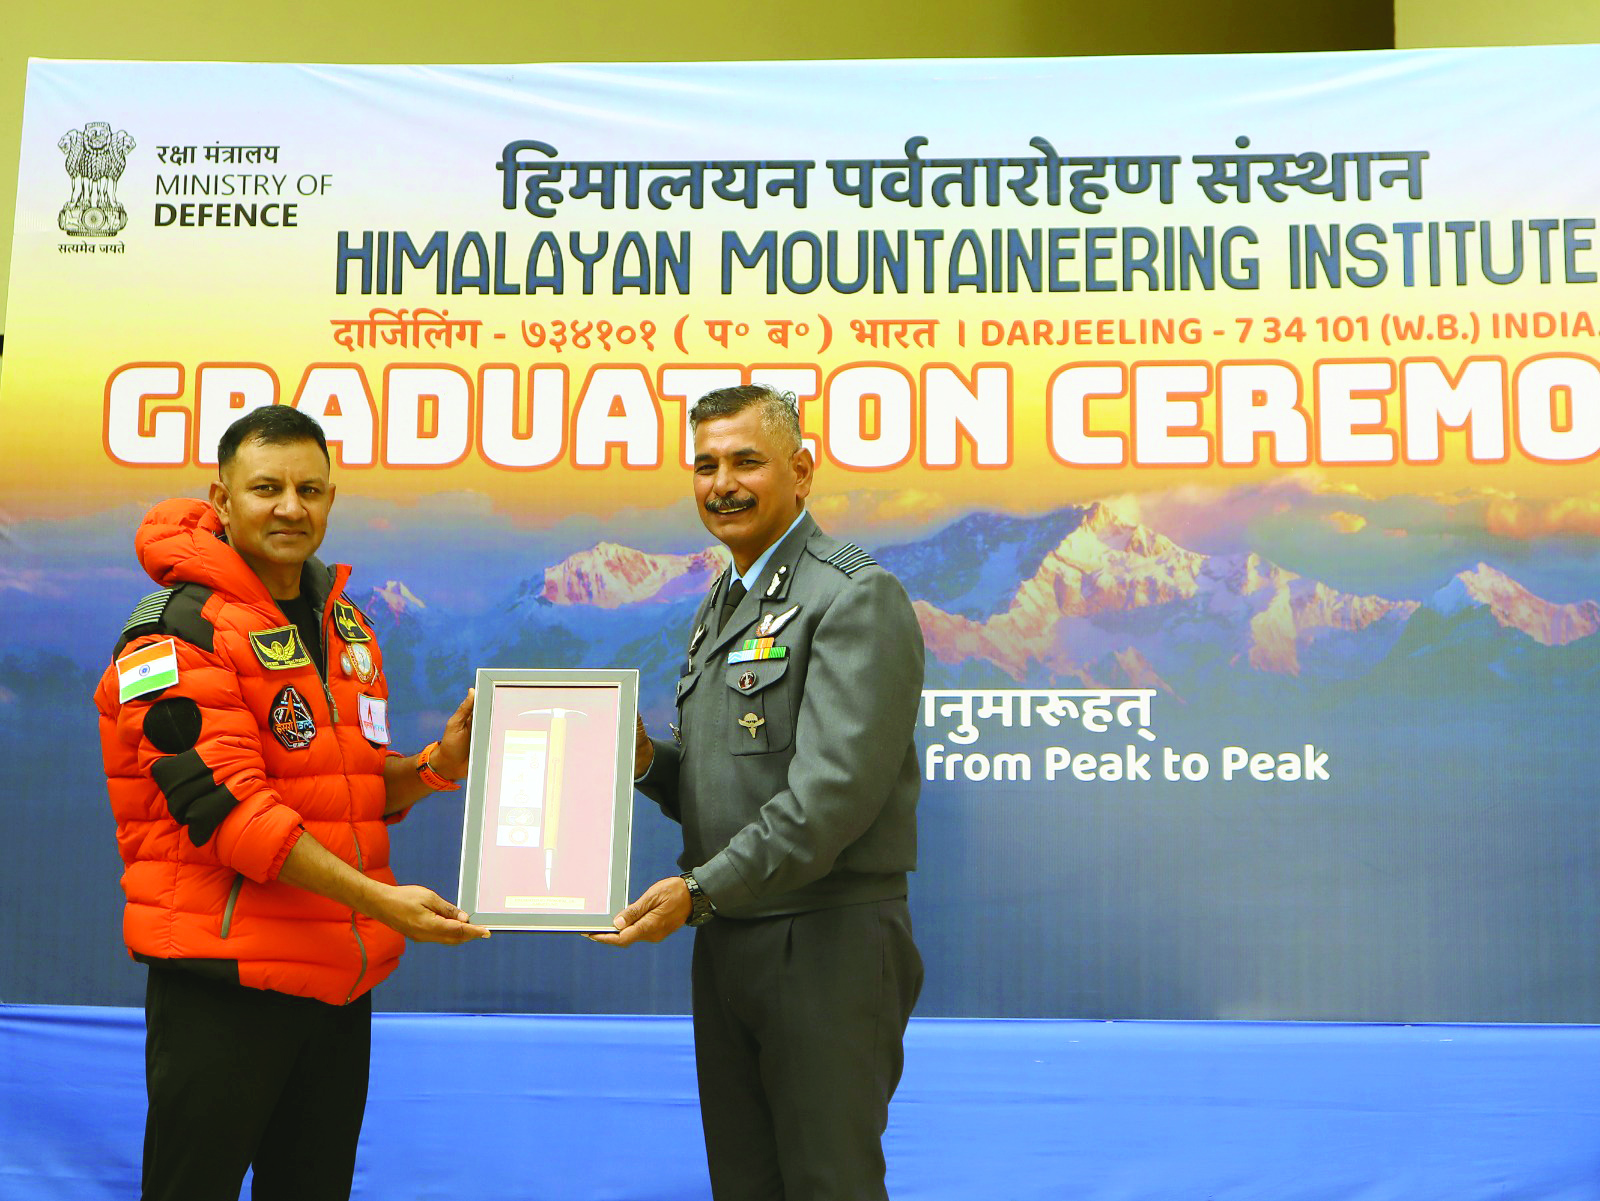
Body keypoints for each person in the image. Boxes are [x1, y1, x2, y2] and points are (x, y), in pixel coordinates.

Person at [94, 405, 489, 1201]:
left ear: (331, 499)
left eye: (309, 489)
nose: (290, 506)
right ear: (222, 495)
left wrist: (437, 766)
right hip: (224, 984)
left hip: (336, 981)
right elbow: (233, 817)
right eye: (266, 487)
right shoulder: (174, 632)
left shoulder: (343, 622)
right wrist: (385, 902)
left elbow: (343, 792)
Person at [591, 384, 925, 1201]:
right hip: (732, 935)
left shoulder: (851, 595)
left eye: (746, 461)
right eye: (705, 465)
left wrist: (699, 890)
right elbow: (733, 777)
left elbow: (829, 800)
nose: (722, 484)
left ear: (802, 470)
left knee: (826, 1184)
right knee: (745, 1183)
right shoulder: (727, 597)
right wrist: (645, 764)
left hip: (824, 942)